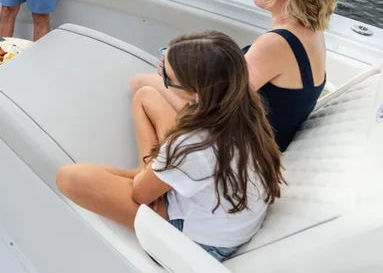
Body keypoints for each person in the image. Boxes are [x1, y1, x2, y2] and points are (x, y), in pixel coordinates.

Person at [56, 31, 284, 262]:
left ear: (195, 92)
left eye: (166, 75)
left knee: (70, 177)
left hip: (203, 240)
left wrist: (144, 179)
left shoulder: (194, 143)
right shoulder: (244, 109)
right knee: (146, 96)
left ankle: (147, 173)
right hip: (224, 214)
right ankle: (150, 174)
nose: (160, 72)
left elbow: (140, 195)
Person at [130, 0, 339, 152]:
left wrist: (174, 80)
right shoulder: (313, 32)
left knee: (140, 83)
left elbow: (215, 108)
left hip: (247, 144)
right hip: (272, 135)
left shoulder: (277, 43)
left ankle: (155, 168)